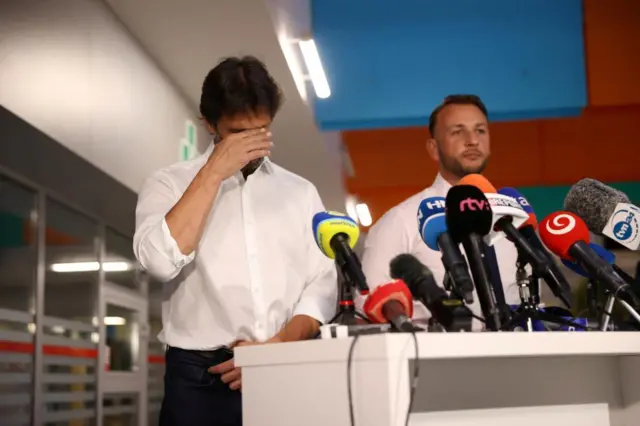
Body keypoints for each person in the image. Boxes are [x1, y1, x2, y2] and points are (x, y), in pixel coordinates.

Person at [133, 56, 337, 426]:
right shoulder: (167, 184)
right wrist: (214, 171)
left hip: (285, 363)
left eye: (261, 130)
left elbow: (322, 284)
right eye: (237, 134)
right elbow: (159, 262)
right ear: (208, 124)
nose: (252, 145)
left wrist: (275, 350)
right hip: (200, 380)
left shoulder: (300, 192)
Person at [360, 94, 520, 325]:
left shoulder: (512, 218)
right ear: (434, 148)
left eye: (480, 131)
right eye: (457, 131)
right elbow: (368, 300)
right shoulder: (401, 220)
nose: (472, 140)